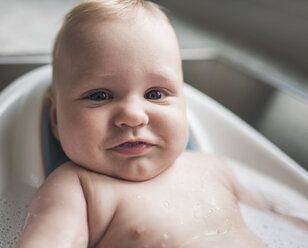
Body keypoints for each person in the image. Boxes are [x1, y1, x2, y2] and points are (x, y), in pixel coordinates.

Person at [17, 1, 302, 247]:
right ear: (55, 118)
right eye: (100, 95)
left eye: (155, 94)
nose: (133, 115)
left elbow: (282, 221)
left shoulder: (214, 168)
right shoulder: (79, 190)